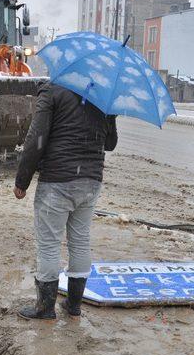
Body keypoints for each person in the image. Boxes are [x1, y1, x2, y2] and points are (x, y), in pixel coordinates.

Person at [14, 81, 118, 320]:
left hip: (57, 180)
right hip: (91, 181)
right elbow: (110, 144)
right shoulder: (102, 95)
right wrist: (109, 114)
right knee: (80, 241)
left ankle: (45, 308)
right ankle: (73, 306)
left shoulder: (53, 90)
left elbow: (36, 137)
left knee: (49, 244)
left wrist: (22, 180)